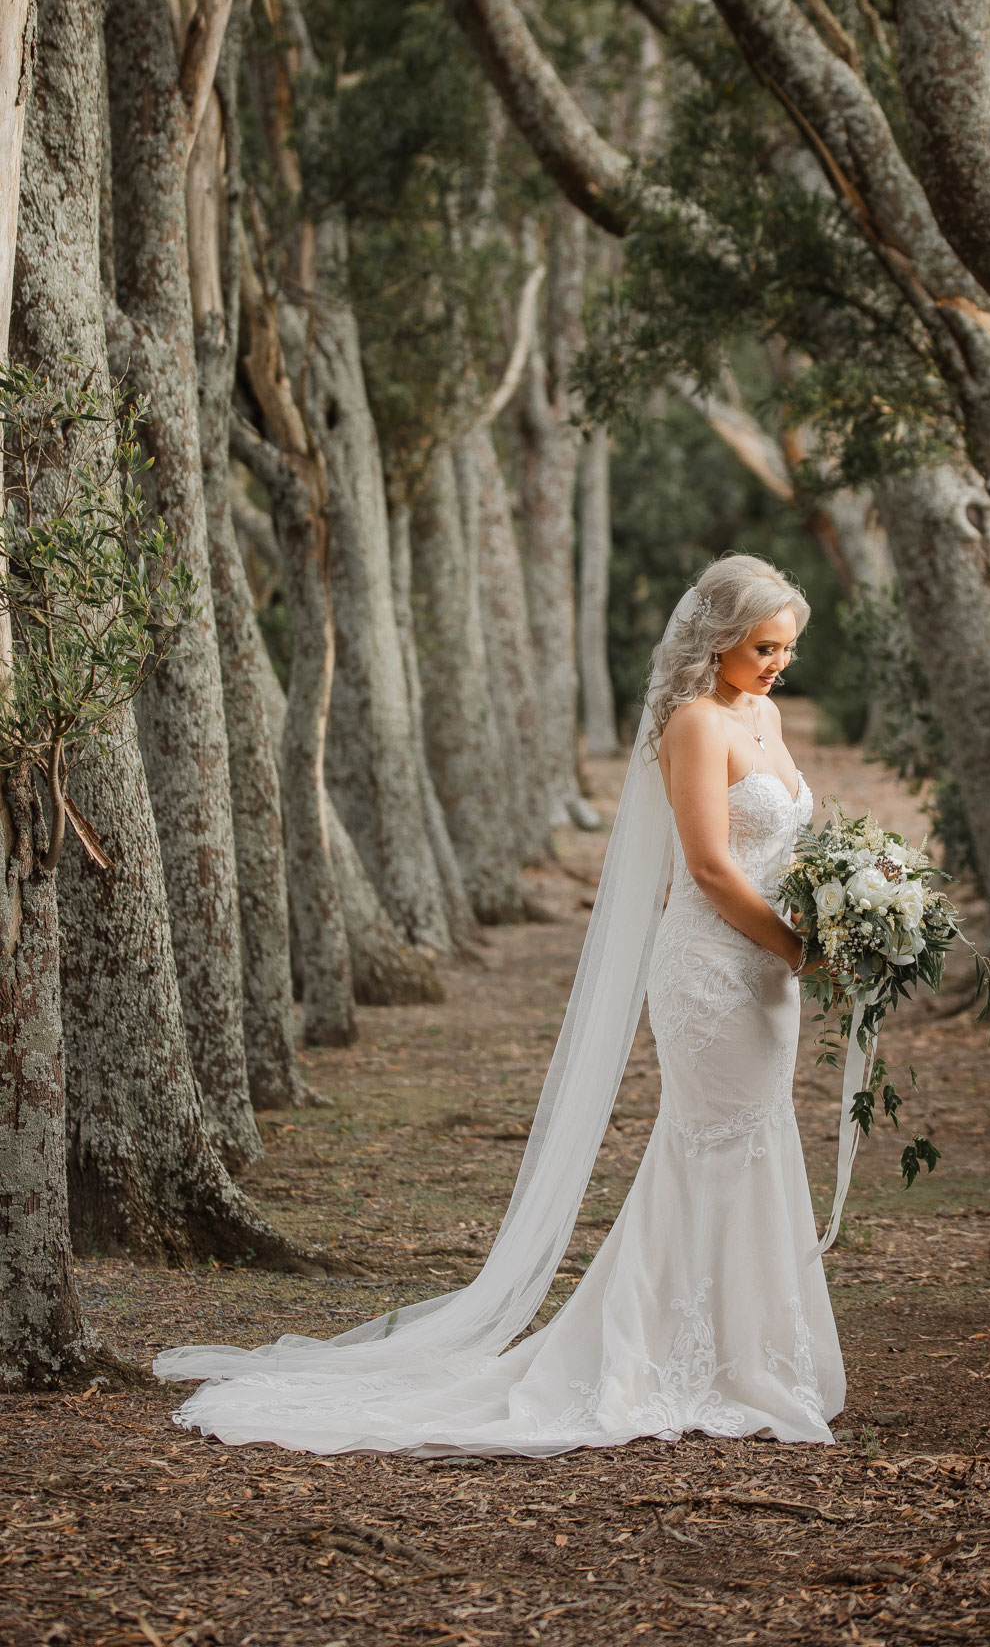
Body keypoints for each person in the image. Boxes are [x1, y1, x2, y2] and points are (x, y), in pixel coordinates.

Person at [156, 555, 845, 1455]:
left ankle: (745, 1353)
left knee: (756, 1141)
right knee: (711, 1147)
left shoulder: (765, 712)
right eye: (763, 646)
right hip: (713, 971)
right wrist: (804, 950)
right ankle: (666, 1358)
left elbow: (785, 839)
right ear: (715, 639)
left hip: (767, 972)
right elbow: (709, 869)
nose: (776, 663)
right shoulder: (692, 723)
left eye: (786, 648)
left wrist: (840, 910)